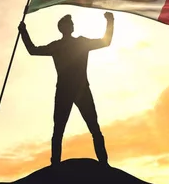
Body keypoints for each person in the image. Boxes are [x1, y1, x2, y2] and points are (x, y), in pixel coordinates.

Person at [18, 12, 114, 166]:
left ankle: (104, 163)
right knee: (59, 130)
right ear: (62, 28)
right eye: (68, 24)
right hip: (65, 90)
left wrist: (110, 21)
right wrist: (23, 31)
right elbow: (33, 50)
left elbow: (105, 41)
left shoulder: (80, 42)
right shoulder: (57, 46)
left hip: (81, 89)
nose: (71, 26)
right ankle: (55, 163)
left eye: (71, 24)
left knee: (93, 127)